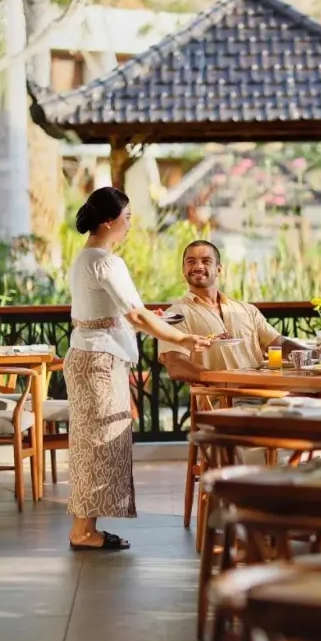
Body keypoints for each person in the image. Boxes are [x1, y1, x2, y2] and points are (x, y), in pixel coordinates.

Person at [64, 187, 211, 550]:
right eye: (127, 218)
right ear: (109, 221)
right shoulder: (107, 261)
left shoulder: (85, 258)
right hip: (100, 360)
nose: (129, 225)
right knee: (100, 444)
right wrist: (183, 339)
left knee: (91, 444)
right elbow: (136, 315)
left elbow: (119, 313)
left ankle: (85, 527)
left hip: (87, 355)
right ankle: (83, 531)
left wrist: (148, 320)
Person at [158, 240, 312, 383]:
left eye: (206, 261)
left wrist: (315, 354)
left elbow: (279, 343)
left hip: (262, 392)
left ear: (218, 269)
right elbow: (175, 365)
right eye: (191, 261)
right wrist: (223, 381)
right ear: (184, 269)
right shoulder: (176, 314)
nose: (198, 266)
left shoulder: (246, 310)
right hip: (220, 398)